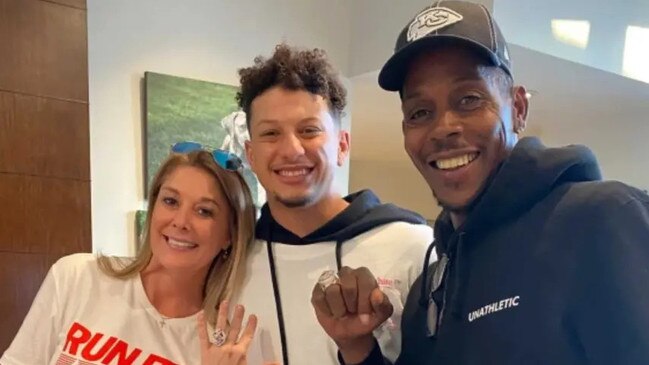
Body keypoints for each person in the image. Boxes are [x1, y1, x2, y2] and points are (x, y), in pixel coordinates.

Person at [312, 1, 649, 364]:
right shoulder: (430, 288)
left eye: (469, 99)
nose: (443, 128)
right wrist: (359, 349)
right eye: (419, 112)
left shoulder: (603, 222)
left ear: (518, 108)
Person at [233, 44, 434, 365]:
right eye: (271, 133)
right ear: (251, 154)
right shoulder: (232, 262)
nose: (292, 149)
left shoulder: (412, 246)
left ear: (342, 146)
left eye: (309, 130)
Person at [1, 143, 263, 365]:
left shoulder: (220, 345)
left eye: (204, 211)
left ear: (230, 234)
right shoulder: (77, 276)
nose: (181, 222)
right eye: (170, 201)